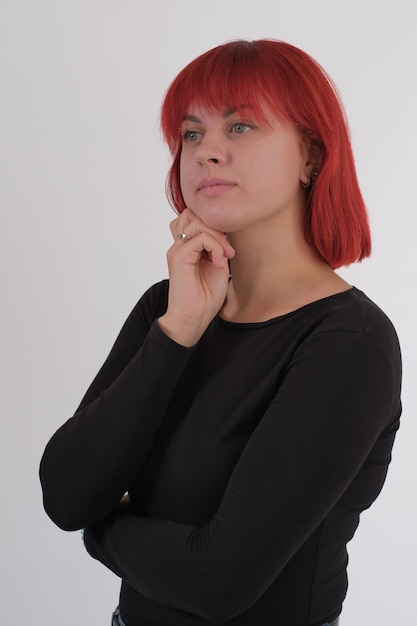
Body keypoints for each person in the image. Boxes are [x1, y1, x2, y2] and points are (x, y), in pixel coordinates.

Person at [39, 39, 402, 626]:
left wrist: (103, 530)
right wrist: (178, 331)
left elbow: (218, 582)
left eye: (241, 127)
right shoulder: (168, 307)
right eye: (191, 133)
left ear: (310, 156)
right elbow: (65, 494)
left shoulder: (348, 342)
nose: (207, 151)